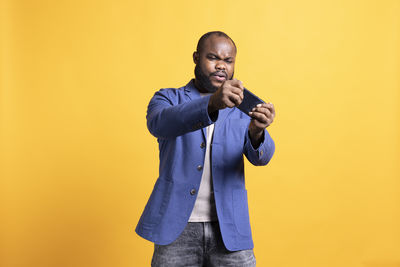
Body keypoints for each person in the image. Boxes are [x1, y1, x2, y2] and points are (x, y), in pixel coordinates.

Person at [136, 31, 276, 267]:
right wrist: (211, 103)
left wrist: (257, 131)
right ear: (196, 58)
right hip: (175, 229)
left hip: (230, 229)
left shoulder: (242, 106)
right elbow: (160, 123)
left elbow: (263, 158)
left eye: (228, 61)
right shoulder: (168, 98)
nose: (221, 66)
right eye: (213, 57)